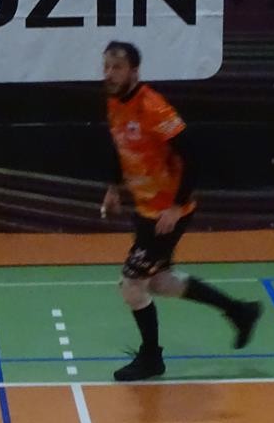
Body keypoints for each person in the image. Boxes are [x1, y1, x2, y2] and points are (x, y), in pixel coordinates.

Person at [101, 41, 262, 381]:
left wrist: (175, 208)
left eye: (117, 68)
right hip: (146, 210)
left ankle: (151, 358)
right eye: (106, 67)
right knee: (159, 282)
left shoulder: (153, 108)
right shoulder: (115, 103)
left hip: (166, 215)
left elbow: (192, 156)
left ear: (134, 71)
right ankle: (239, 311)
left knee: (131, 285)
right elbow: (120, 147)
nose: (110, 74)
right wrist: (114, 188)